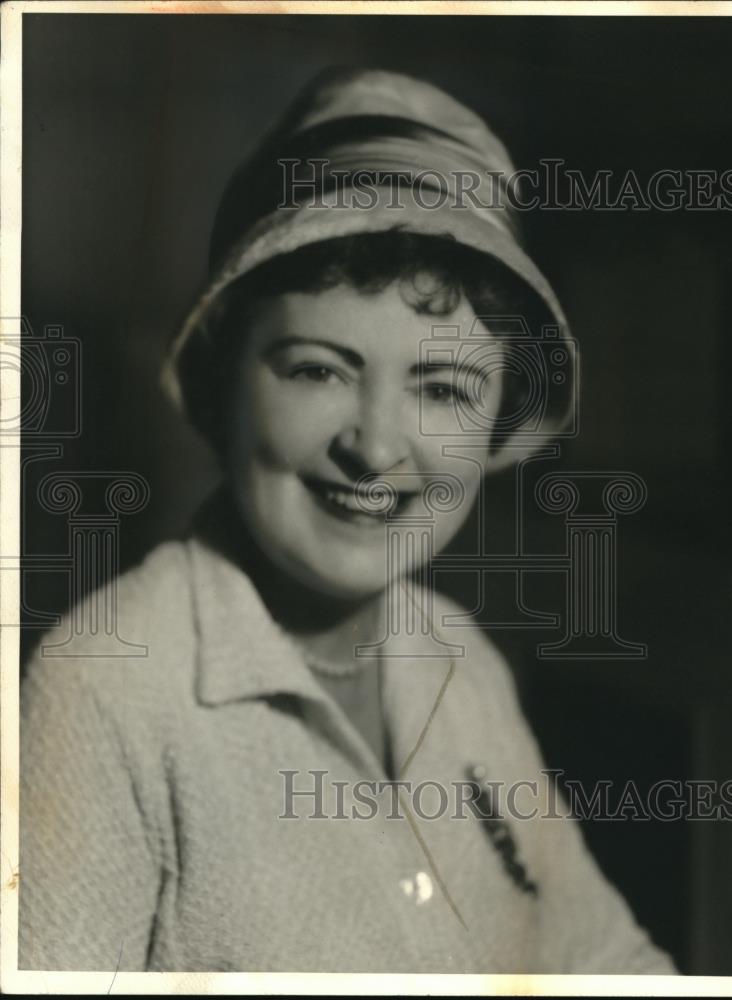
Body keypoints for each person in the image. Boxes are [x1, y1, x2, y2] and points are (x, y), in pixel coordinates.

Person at [19, 68, 677, 974]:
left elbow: (604, 963)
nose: (374, 448)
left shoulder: (460, 660)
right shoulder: (103, 693)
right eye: (317, 370)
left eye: (441, 387)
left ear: (494, 420)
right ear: (226, 381)